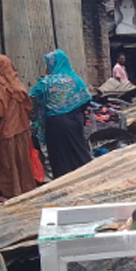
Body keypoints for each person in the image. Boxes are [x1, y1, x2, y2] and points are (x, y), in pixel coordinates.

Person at [30, 50, 93, 178]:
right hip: (75, 121)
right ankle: (86, 176)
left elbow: (33, 97)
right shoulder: (75, 79)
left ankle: (64, 181)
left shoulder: (46, 82)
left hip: (55, 124)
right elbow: (86, 99)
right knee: (78, 150)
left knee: (59, 156)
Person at [0, 54, 37, 198]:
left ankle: (11, 192)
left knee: (7, 163)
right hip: (21, 130)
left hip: (5, 131)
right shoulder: (17, 84)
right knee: (23, 161)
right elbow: (28, 107)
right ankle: (26, 189)